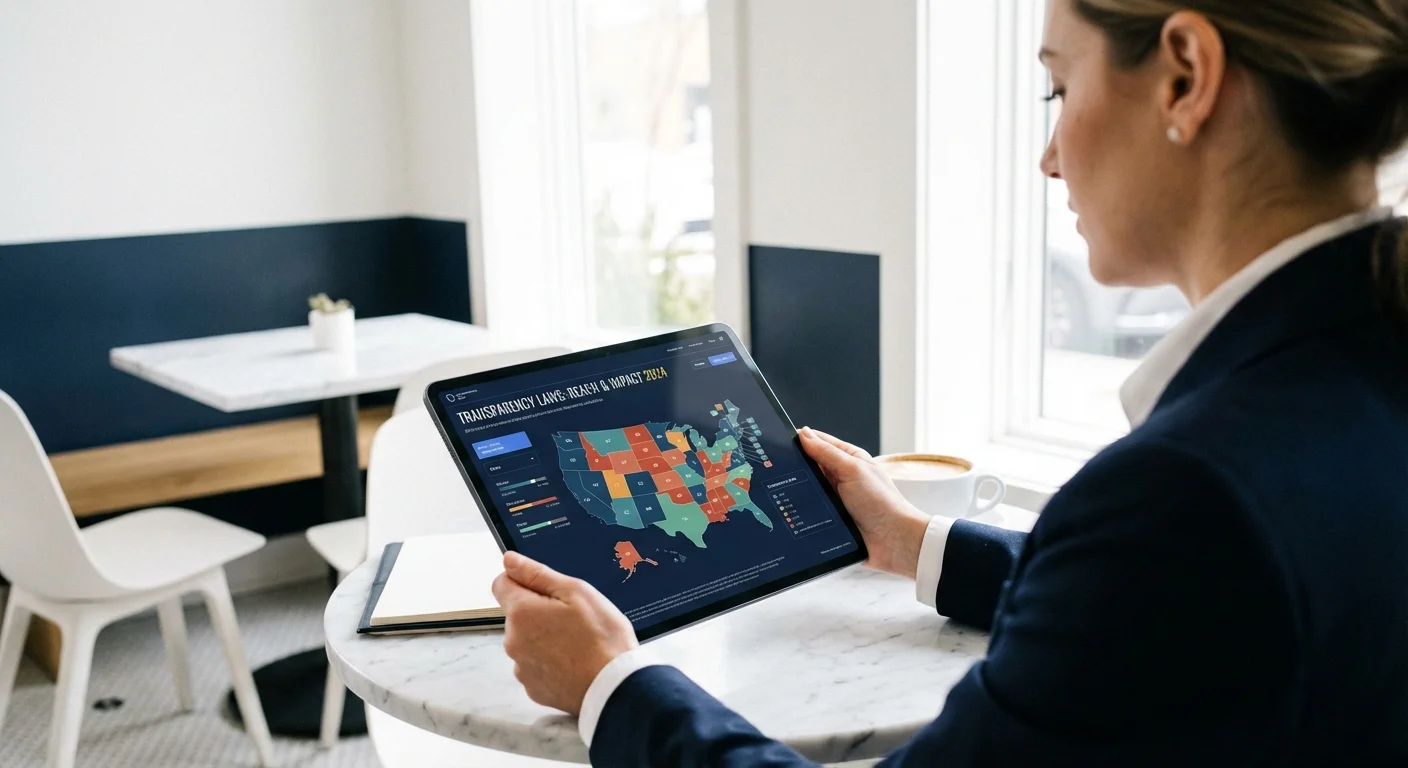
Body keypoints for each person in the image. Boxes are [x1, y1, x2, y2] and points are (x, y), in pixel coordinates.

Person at [490, 0, 1408, 763]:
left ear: (1185, 75)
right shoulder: (1364, 372)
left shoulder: (1186, 494)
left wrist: (611, 683)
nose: (1048, 155)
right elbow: (1177, 624)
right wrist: (915, 543)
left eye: (1058, 86)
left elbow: (1167, 571)